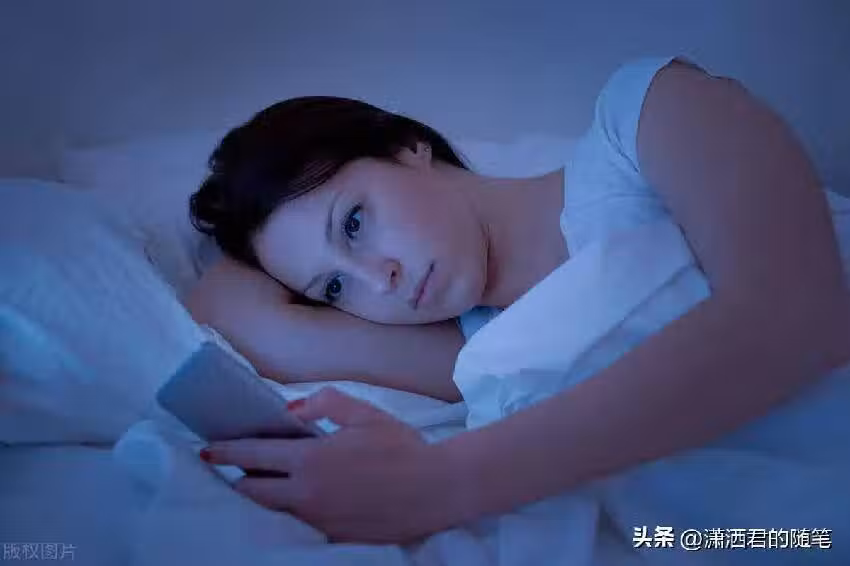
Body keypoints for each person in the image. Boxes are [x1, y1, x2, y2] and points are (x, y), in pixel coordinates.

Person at [184, 56, 850, 547]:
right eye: (335, 287)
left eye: (354, 223)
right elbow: (224, 308)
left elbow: (792, 315)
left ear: (408, 147)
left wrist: (442, 483)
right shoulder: (480, 355)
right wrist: (239, 221)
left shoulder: (647, 119)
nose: (378, 280)